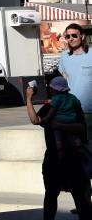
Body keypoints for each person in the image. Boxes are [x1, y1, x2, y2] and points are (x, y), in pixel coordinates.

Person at [25, 75, 92, 220]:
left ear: (52, 89)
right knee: (80, 197)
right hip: (75, 157)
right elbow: (82, 128)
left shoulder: (50, 106)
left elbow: (35, 120)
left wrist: (29, 99)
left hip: (56, 158)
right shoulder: (73, 102)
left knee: (51, 196)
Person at [58, 23, 92, 138]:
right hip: (71, 110)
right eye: (68, 37)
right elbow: (64, 80)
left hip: (90, 111)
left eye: (74, 35)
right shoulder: (64, 56)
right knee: (75, 147)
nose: (71, 39)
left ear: (82, 36)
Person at [48, 76, 85, 153]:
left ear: (55, 90)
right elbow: (78, 105)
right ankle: (79, 146)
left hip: (59, 120)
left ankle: (60, 149)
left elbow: (51, 112)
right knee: (74, 135)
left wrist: (46, 118)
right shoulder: (72, 97)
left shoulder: (56, 99)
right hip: (72, 120)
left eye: (51, 89)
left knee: (57, 133)